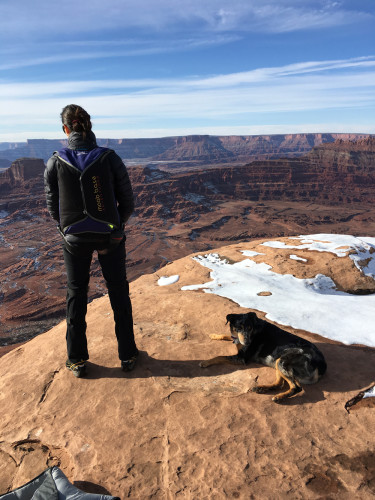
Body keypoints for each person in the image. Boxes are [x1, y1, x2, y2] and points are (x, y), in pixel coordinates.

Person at [44, 104, 138, 377]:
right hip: (110, 235)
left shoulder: (55, 160)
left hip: (74, 238)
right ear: (89, 127)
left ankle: (76, 360)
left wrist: (64, 229)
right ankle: (128, 355)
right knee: (118, 291)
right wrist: (118, 228)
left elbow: (52, 204)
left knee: (76, 293)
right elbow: (127, 200)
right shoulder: (109, 157)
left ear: (65, 129)